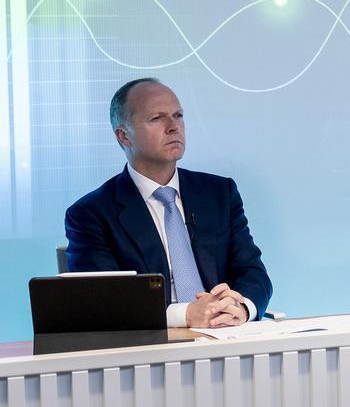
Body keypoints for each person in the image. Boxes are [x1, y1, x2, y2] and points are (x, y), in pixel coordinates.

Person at [65, 78, 272, 327]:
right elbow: (103, 302)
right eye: (157, 118)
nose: (174, 127)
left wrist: (242, 307)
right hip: (153, 342)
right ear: (124, 136)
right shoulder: (91, 214)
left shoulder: (219, 193)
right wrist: (185, 315)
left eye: (178, 116)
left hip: (224, 334)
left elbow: (252, 272)